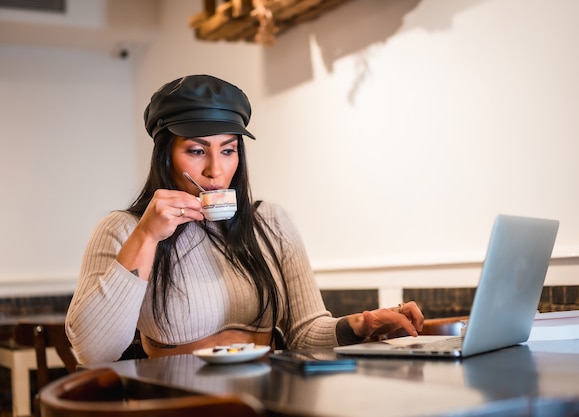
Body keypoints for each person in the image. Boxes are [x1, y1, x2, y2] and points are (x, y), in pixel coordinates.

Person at [65, 74, 424, 364]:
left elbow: (306, 333)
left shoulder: (271, 222)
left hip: (265, 396)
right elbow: (93, 353)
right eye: (196, 150)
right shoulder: (123, 229)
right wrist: (146, 237)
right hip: (175, 404)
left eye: (228, 150)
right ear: (165, 156)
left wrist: (364, 324)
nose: (215, 169)